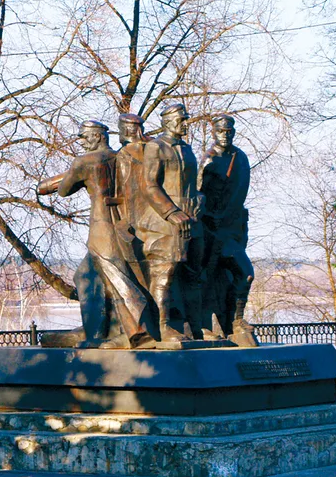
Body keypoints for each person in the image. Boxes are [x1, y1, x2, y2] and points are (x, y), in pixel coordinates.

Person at [37, 120, 154, 348]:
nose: (82, 141)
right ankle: (98, 329)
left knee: (109, 276)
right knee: (91, 275)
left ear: (99, 136)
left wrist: (67, 175)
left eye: (85, 136)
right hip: (123, 223)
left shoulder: (84, 161)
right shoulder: (121, 157)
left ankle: (137, 330)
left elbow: (63, 190)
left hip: (102, 227)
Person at [139, 104, 204, 341]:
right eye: (181, 119)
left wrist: (200, 199)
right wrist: (171, 212)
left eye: (186, 119)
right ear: (167, 121)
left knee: (194, 276)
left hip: (193, 220)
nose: (186, 123)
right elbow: (149, 185)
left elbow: (191, 185)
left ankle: (197, 328)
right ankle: (163, 328)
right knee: (164, 275)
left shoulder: (186, 149)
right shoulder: (156, 147)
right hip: (166, 222)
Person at [197, 114, 257, 346]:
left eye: (229, 131)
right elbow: (198, 193)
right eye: (221, 131)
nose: (225, 135)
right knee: (206, 278)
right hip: (210, 230)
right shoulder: (208, 160)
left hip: (232, 230)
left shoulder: (240, 157)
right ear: (213, 132)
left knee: (245, 273)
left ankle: (237, 320)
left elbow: (240, 192)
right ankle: (201, 325)